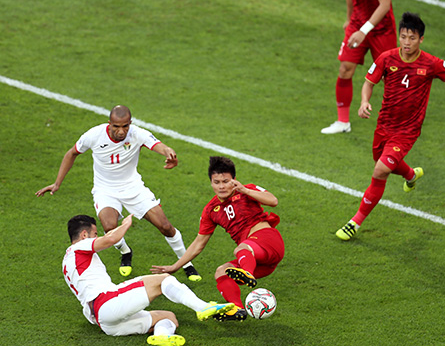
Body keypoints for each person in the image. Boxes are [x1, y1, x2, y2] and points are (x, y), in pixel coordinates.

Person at [336, 12, 445, 241]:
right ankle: (410, 175)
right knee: (382, 163)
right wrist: (364, 101)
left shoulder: (431, 63)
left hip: (407, 131)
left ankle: (354, 222)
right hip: (384, 126)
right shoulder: (387, 58)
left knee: (380, 170)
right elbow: (368, 82)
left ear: (421, 39)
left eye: (412, 38)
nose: (407, 42)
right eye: (403, 37)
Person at [37, 105, 201, 281]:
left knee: (165, 226)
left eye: (125, 126)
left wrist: (168, 152)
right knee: (109, 227)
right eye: (116, 126)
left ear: (130, 123)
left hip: (133, 188)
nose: (121, 131)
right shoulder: (93, 135)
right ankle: (126, 251)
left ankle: (186, 263)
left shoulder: (137, 133)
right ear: (109, 123)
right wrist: (57, 183)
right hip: (105, 190)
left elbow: (158, 145)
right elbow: (72, 153)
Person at [63, 214, 232, 346]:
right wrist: (126, 224)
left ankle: (162, 336)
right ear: (84, 234)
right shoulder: (79, 247)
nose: (96, 238)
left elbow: (109, 236)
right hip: (106, 303)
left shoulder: (68, 260)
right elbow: (110, 239)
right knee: (163, 280)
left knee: (168, 317)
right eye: (94, 234)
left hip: (105, 323)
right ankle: (203, 307)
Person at [151, 156, 285, 322]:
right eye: (216, 182)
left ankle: (247, 273)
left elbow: (273, 201)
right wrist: (176, 266)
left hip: (268, 242)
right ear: (211, 182)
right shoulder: (210, 210)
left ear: (234, 180)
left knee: (241, 249)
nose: (221, 186)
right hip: (257, 260)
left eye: (225, 181)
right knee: (222, 271)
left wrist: (245, 190)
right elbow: (198, 244)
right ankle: (237, 309)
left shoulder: (246, 190)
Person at [321, 0, 397, 134]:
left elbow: (384, 5)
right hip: (357, 24)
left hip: (381, 28)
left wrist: (365, 30)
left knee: (390, 77)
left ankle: (398, 123)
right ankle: (343, 122)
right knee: (345, 69)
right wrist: (349, 19)